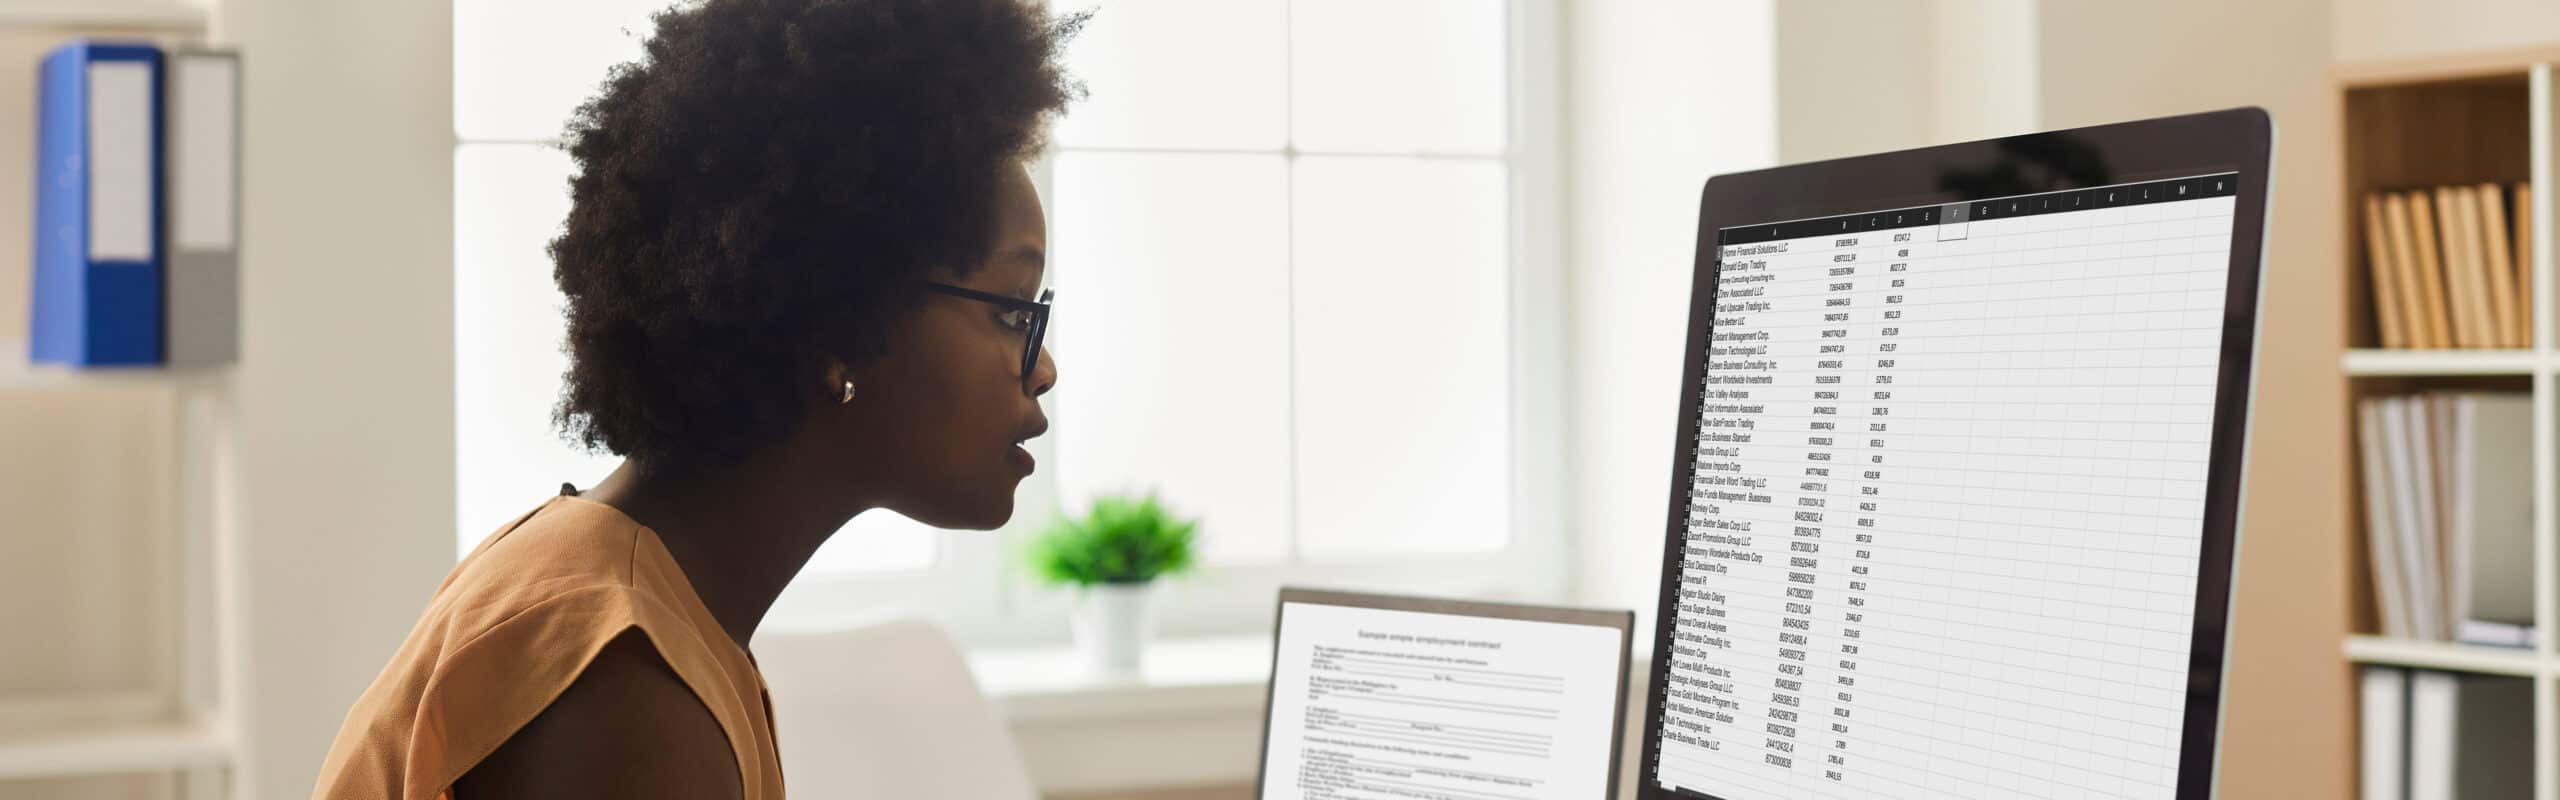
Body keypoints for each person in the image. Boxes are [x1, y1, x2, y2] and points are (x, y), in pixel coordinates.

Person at [312, 0, 1079, 796]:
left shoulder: (640, 605)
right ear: (842, 320)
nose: (1044, 365)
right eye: (1012, 311)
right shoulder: (622, 685)